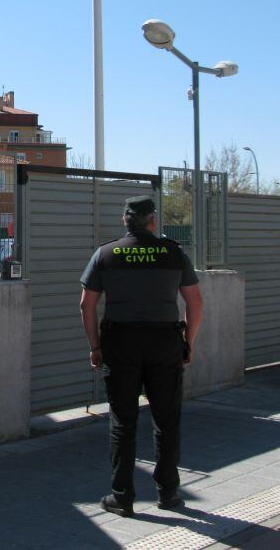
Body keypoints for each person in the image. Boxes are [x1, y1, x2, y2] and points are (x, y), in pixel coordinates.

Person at [78, 195, 203, 517]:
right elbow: (195, 302)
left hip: (121, 343)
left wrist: (95, 346)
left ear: (125, 221)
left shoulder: (106, 253)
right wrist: (187, 342)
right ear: (153, 220)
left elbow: (86, 304)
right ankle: (169, 494)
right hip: (165, 343)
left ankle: (122, 496)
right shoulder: (174, 252)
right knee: (166, 420)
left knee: (123, 421)